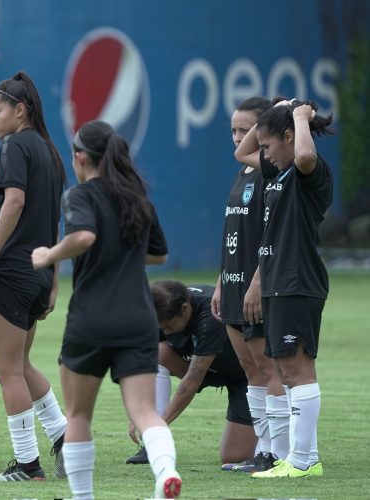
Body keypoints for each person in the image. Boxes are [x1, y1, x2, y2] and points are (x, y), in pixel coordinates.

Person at [31, 120, 180, 500]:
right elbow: (159, 254)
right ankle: (165, 474)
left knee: (79, 415)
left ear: (80, 157)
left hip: (92, 319)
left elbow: (83, 236)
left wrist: (49, 254)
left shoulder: (80, 195)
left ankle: (83, 497)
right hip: (139, 319)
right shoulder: (137, 197)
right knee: (145, 412)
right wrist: (121, 248)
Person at [234, 98, 334, 478]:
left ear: (290, 137)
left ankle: (304, 462)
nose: (264, 154)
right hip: (280, 281)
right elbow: (240, 152)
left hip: (297, 280)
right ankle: (302, 457)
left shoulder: (307, 171)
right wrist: (278, 109)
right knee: (289, 373)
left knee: (299, 371)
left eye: (270, 145)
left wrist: (298, 115)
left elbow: (304, 155)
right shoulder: (275, 173)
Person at [0, 71, 68, 481]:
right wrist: (53, 278)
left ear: (20, 109)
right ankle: (64, 435)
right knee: (22, 364)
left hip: (11, 272)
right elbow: (55, 222)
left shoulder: (15, 146)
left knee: (7, 370)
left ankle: (28, 464)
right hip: (37, 275)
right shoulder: (49, 151)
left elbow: (14, 201)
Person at [212, 96, 285, 473]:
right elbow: (236, 233)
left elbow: (271, 235)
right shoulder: (242, 172)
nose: (238, 137)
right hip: (234, 286)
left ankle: (279, 452)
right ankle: (264, 450)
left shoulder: (271, 171)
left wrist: (257, 280)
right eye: (234, 130)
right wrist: (223, 282)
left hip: (258, 286)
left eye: (246, 130)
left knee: (269, 369)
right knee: (250, 370)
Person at [130, 281, 256, 466]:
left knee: (233, 458)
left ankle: (273, 442)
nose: (166, 332)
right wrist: (142, 413)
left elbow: (192, 381)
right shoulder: (159, 307)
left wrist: (155, 426)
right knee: (156, 352)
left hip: (245, 376)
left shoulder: (211, 316)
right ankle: (152, 446)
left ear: (185, 308)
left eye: (170, 327)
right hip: (205, 367)